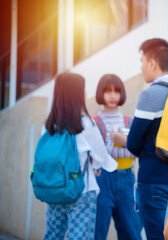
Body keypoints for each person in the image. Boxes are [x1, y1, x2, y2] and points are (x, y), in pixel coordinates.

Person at [43, 72, 118, 239]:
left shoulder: (48, 126)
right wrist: (99, 167)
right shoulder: (85, 124)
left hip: (54, 188)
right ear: (77, 95)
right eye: (83, 90)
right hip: (82, 190)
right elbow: (101, 157)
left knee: (52, 235)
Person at [126, 38, 168, 240]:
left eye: (142, 62)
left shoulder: (151, 94)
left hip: (153, 180)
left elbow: (132, 142)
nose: (141, 68)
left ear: (152, 63)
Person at [94, 74, 142, 240]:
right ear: (101, 93)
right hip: (102, 180)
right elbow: (100, 154)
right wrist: (125, 144)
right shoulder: (95, 122)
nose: (113, 95)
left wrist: (116, 143)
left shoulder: (130, 121)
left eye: (116, 91)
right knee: (97, 233)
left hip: (127, 180)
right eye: (108, 91)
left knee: (131, 232)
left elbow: (137, 151)